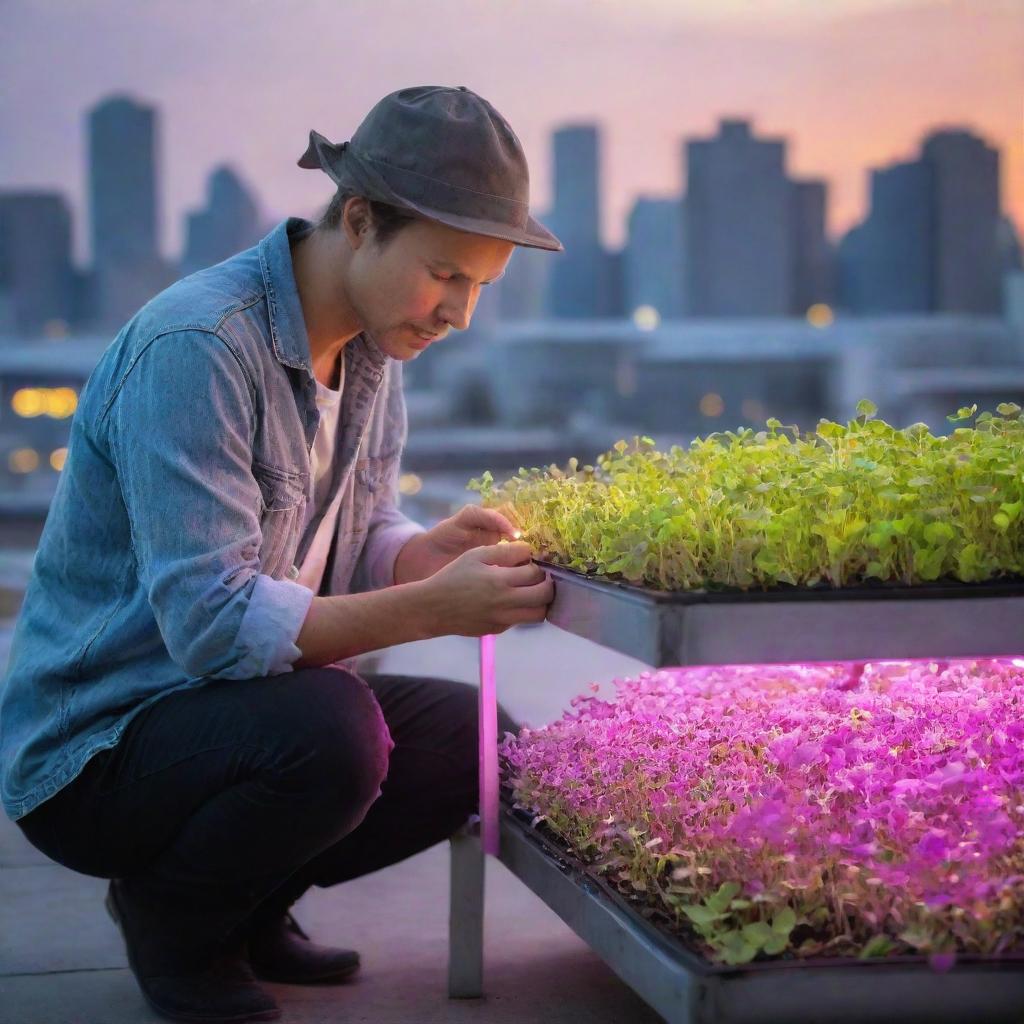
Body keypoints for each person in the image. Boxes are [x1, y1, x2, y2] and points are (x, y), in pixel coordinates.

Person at [0, 85, 561, 1023]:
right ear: (358, 220)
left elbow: (356, 531)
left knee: (478, 742)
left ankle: (251, 903)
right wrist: (435, 608)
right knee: (333, 733)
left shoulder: (375, 353)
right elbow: (214, 629)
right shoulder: (199, 346)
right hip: (99, 749)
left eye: (480, 288)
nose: (459, 312)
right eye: (445, 275)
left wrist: (420, 555)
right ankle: (173, 921)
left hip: (234, 718)